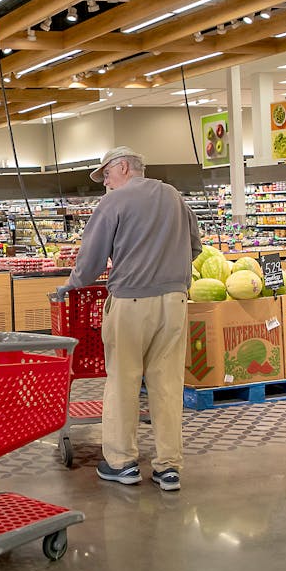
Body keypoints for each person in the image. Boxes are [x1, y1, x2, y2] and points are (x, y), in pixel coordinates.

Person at [65, 147, 200, 492]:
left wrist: (72, 284)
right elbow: (196, 246)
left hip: (131, 302)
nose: (105, 182)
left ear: (123, 167)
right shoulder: (174, 197)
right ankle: (169, 467)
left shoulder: (114, 202)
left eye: (106, 174)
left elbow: (91, 259)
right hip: (175, 302)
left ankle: (123, 462)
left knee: (124, 381)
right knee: (167, 384)